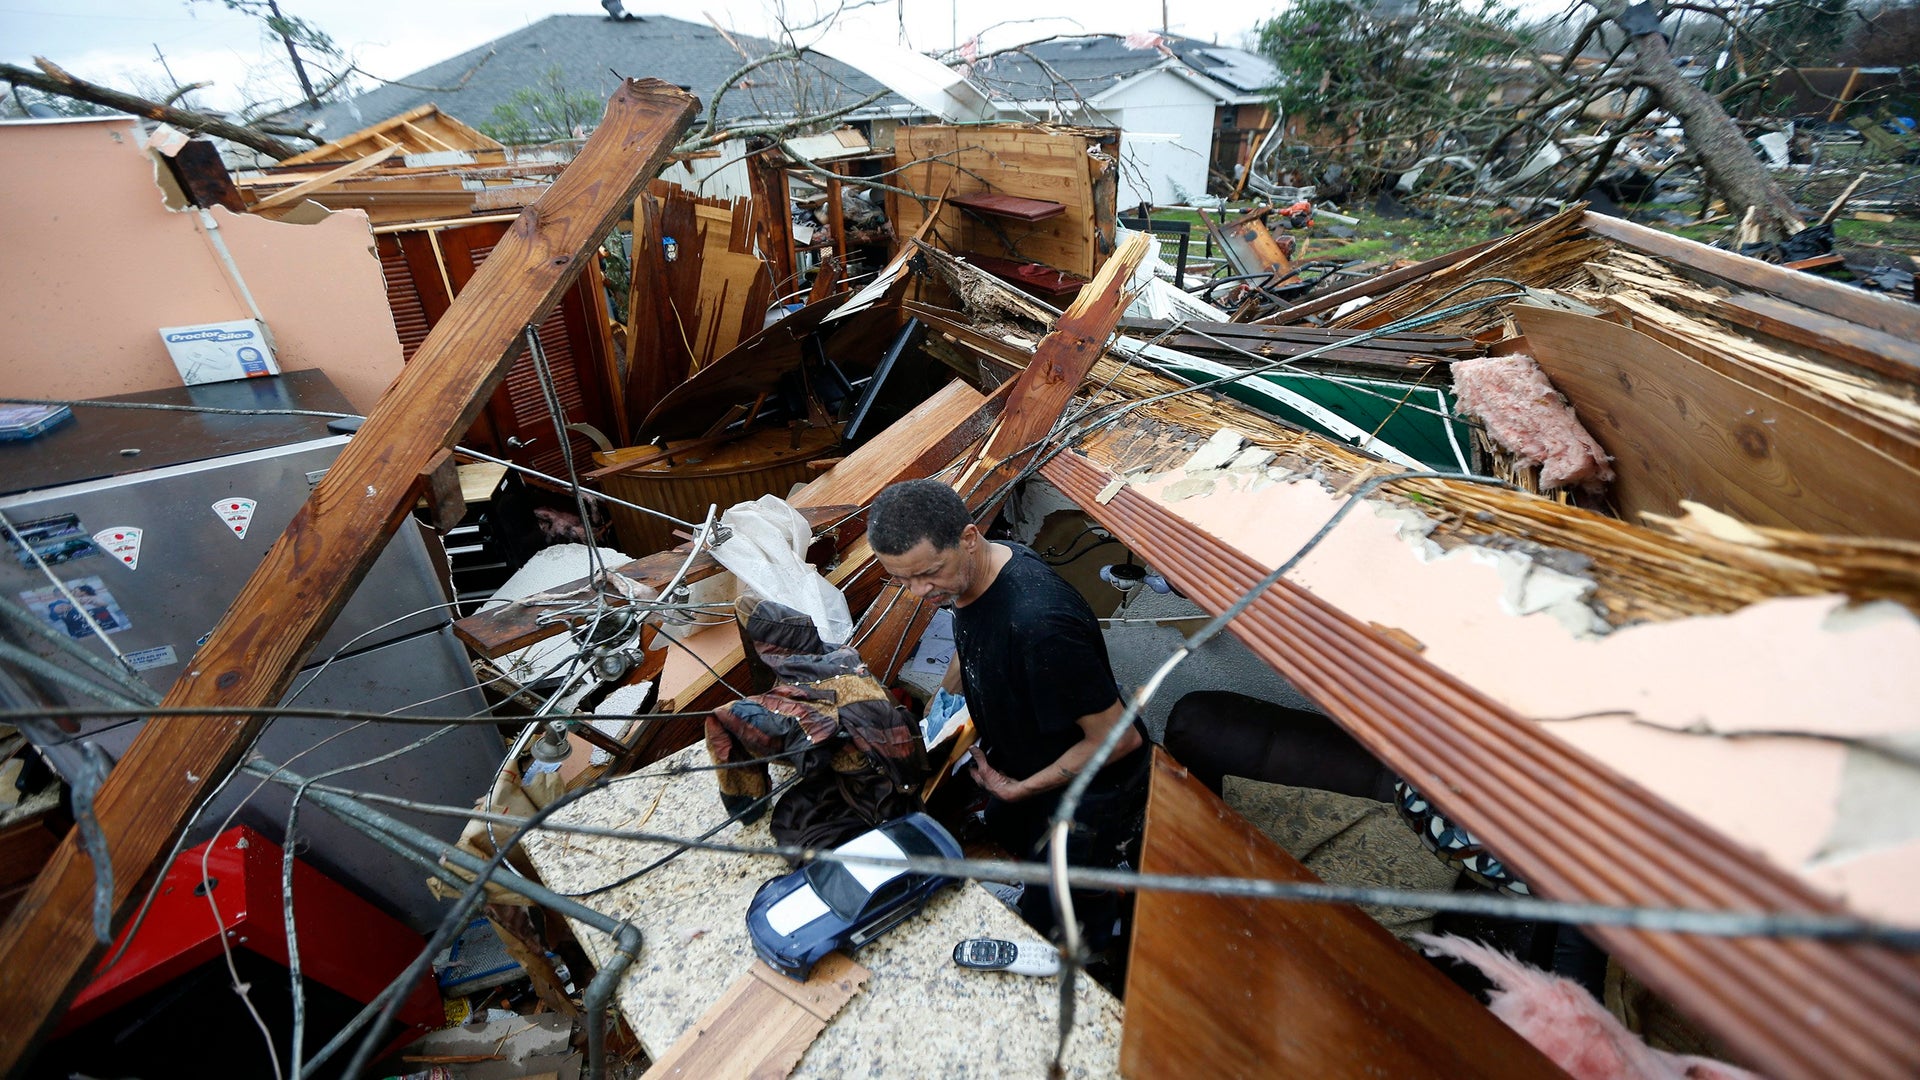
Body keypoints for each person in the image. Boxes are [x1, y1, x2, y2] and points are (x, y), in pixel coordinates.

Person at [867, 479, 1146, 951]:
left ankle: (1098, 954)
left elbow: (1118, 740)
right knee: (1003, 828)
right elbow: (968, 629)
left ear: (969, 537)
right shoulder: (970, 575)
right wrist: (943, 698)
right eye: (902, 579)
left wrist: (1018, 789)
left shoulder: (1039, 624)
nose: (918, 592)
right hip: (1027, 759)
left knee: (1056, 914)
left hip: (1090, 786)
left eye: (929, 573)